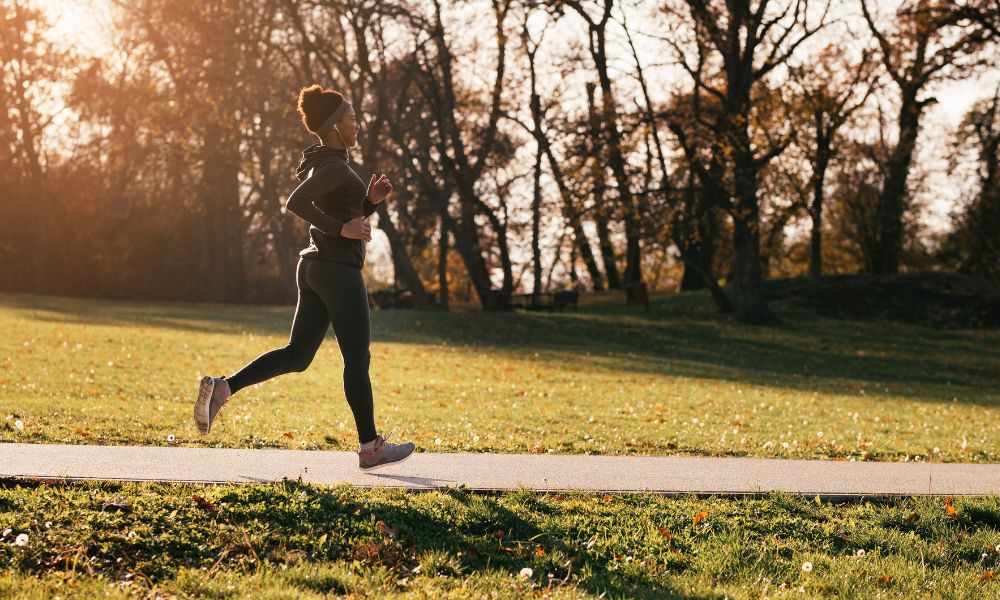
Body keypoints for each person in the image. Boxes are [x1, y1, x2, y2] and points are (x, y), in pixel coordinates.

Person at [193, 84, 416, 471]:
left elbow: (347, 216)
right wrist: (340, 229)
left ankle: (223, 388)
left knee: (297, 355)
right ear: (334, 127)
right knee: (357, 359)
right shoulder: (332, 165)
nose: (357, 123)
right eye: (350, 118)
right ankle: (370, 446)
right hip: (336, 270)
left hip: (315, 266)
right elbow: (296, 202)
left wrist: (369, 204)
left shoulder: (328, 162)